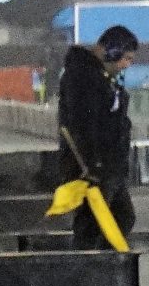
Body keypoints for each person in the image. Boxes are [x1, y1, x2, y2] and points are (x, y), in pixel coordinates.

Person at [55, 24, 139, 249]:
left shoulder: (101, 78)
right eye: (126, 58)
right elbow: (82, 126)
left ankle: (102, 267)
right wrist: (92, 166)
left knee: (122, 218)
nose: (126, 65)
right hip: (93, 168)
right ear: (111, 51)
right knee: (91, 226)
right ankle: (88, 274)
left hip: (108, 167)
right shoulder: (82, 77)